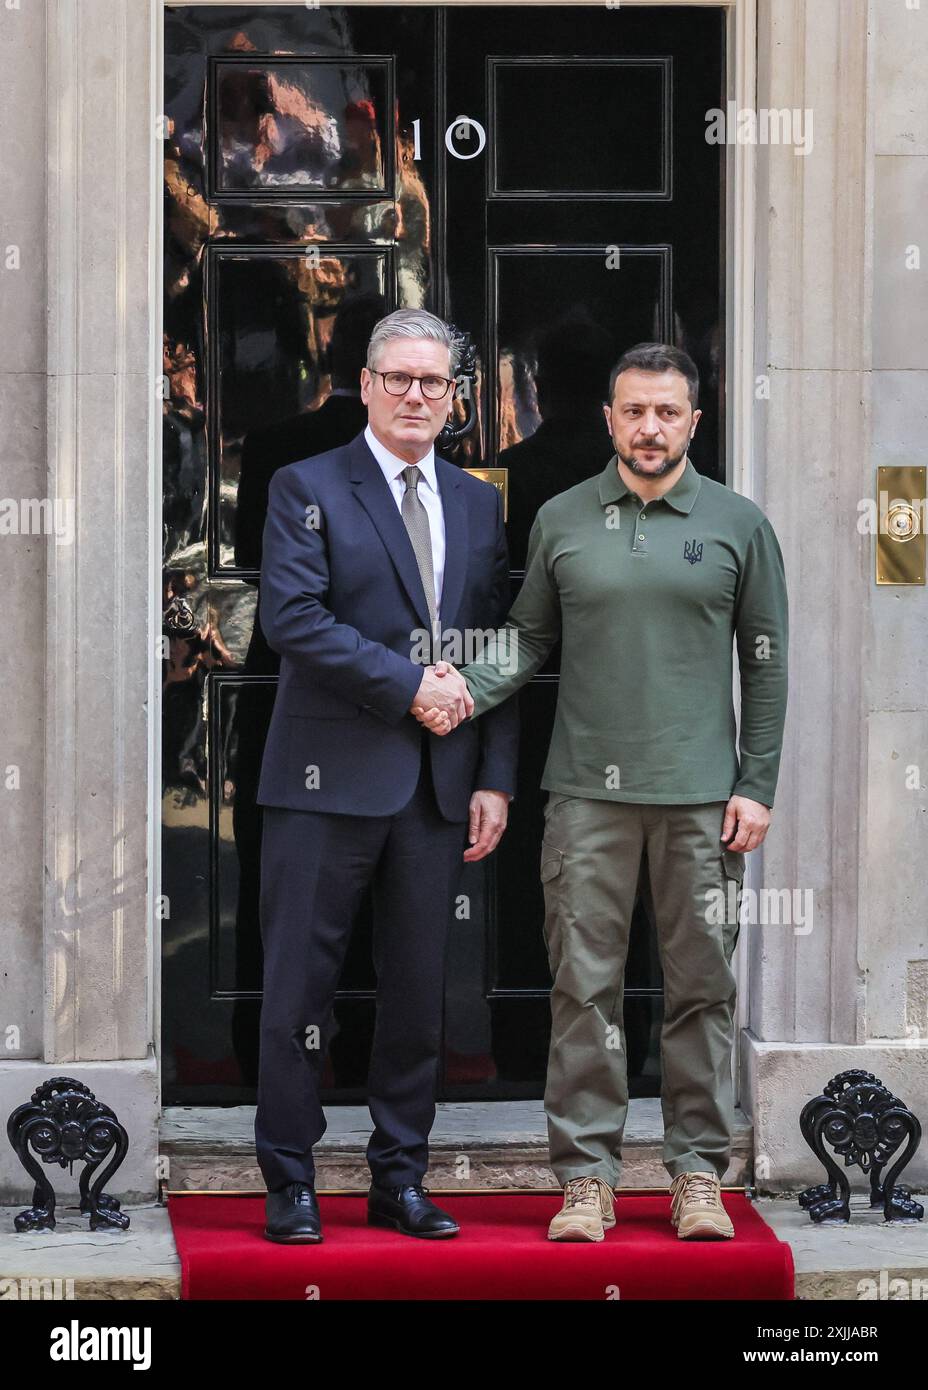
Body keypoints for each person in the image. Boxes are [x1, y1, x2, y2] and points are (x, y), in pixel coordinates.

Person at [417, 342, 789, 1242]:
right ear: (610, 418)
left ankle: (697, 1172)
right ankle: (588, 1177)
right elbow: (527, 638)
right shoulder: (562, 519)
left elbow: (766, 664)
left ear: (694, 422)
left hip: (704, 802)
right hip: (585, 798)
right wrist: (460, 684)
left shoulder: (740, 524)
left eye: (668, 412)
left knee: (701, 988)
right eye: (634, 411)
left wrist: (757, 785)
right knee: (583, 990)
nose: (650, 427)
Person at [255, 308, 518, 1242]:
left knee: (418, 994)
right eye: (398, 378)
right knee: (297, 994)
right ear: (364, 385)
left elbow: (493, 646)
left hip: (440, 790)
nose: (416, 395)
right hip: (324, 782)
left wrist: (495, 774)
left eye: (433, 383)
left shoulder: (481, 502)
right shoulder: (306, 484)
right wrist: (410, 685)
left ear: (454, 399)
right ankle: (288, 1181)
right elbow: (293, 618)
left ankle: (399, 1177)